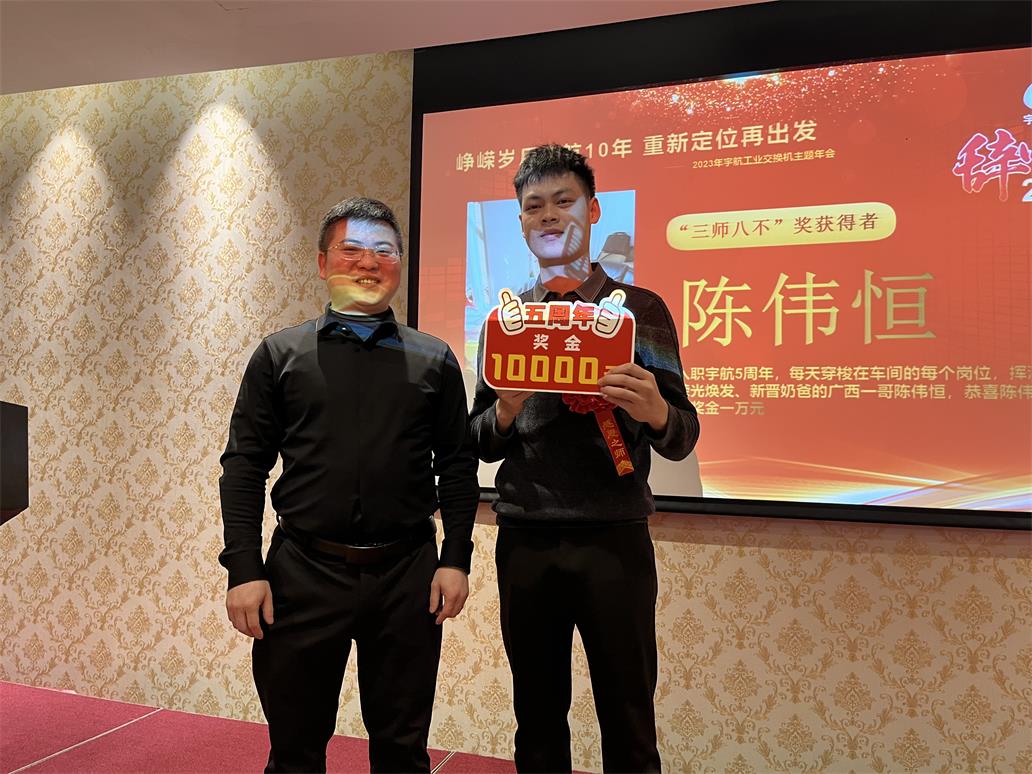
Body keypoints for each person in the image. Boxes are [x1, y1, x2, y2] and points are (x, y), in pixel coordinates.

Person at [219, 197, 479, 773]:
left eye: (385, 250)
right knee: (295, 749)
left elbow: (458, 466)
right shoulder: (280, 354)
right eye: (352, 248)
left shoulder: (435, 359)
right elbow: (244, 465)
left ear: (400, 264)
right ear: (322, 263)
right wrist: (244, 569)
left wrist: (456, 558)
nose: (369, 262)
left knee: (402, 750)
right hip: (301, 573)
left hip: (408, 575)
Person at [469, 145, 700, 773]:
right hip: (525, 538)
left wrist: (654, 409)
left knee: (629, 717)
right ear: (521, 222)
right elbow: (479, 440)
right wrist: (506, 410)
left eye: (563, 201)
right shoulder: (506, 322)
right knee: (537, 717)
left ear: (593, 210)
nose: (549, 216)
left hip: (614, 539)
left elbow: (682, 436)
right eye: (534, 207)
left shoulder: (640, 311)